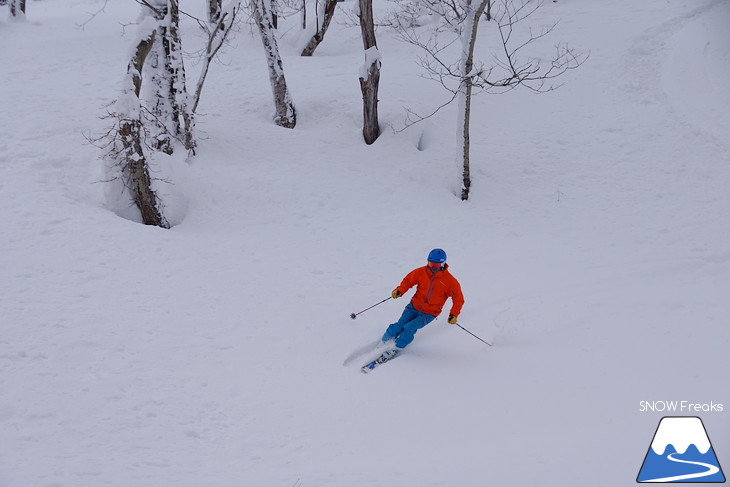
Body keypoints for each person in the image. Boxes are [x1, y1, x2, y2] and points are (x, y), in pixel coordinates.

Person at [381, 248, 464, 350]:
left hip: (429, 313)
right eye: (430, 263)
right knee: (399, 325)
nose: (433, 267)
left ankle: (397, 347)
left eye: (436, 265)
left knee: (409, 328)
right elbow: (408, 281)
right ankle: (384, 341)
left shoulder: (450, 282)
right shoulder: (421, 272)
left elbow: (458, 299)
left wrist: (453, 315)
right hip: (413, 306)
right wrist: (400, 290)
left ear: (443, 264)